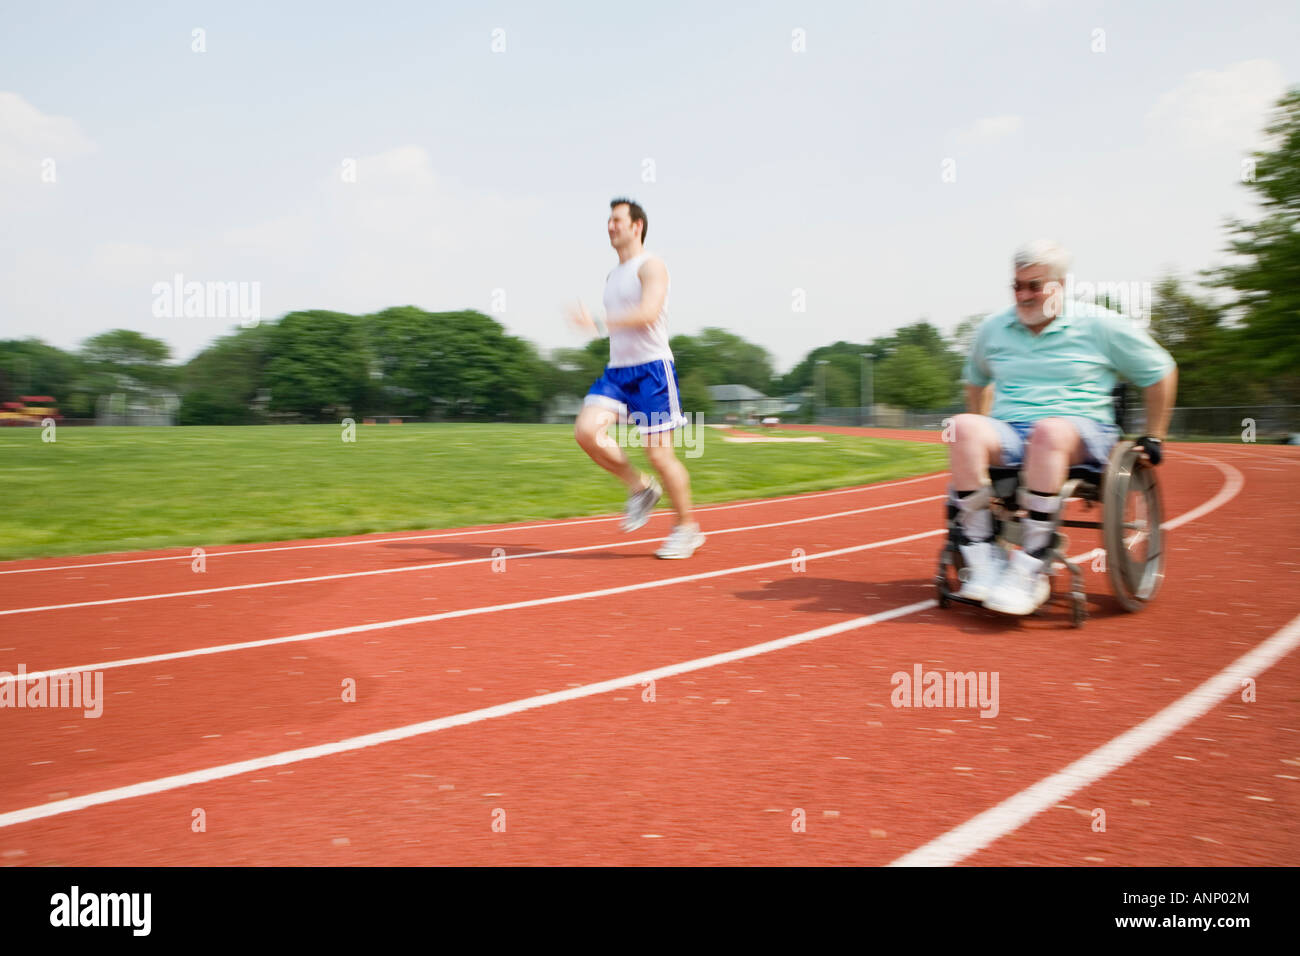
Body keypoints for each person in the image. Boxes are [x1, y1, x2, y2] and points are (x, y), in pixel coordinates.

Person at [950, 239, 1178, 614]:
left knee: (1049, 431)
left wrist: (1155, 434)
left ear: (1060, 285)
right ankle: (983, 559)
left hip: (1082, 430)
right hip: (1013, 430)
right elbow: (975, 379)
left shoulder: (1101, 324)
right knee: (962, 428)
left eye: (1034, 286)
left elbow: (1161, 371)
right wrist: (983, 420)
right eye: (1017, 286)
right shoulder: (993, 328)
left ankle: (1031, 568)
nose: (1023, 295)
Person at [570, 198, 704, 559]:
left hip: (651, 371)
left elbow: (648, 313)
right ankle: (640, 487)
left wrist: (597, 323)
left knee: (659, 455)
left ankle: (687, 529)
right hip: (617, 372)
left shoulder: (652, 266)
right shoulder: (613, 275)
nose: (610, 226)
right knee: (586, 431)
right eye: (608, 221)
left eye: (617, 220)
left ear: (637, 226)